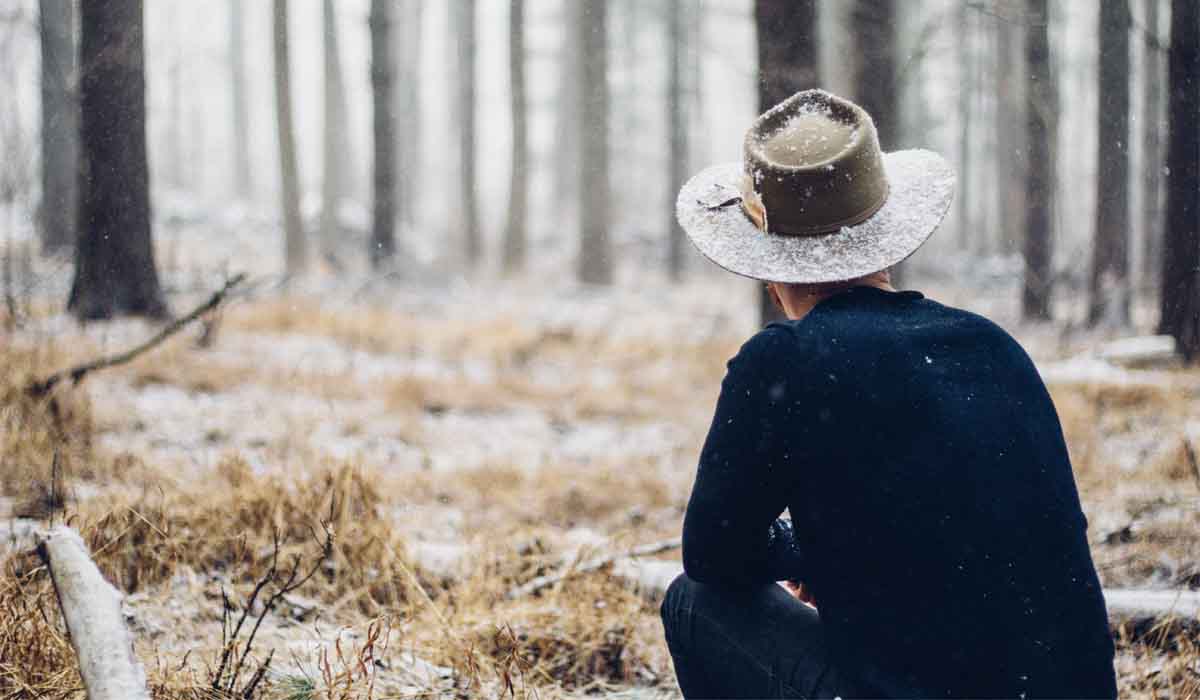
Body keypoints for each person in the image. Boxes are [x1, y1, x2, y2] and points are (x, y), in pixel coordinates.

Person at [661, 89, 1117, 699]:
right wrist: (832, 559)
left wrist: (801, 553)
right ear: (884, 236)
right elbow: (990, 527)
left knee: (693, 604)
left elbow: (713, 553)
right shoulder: (992, 346)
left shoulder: (785, 362)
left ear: (770, 271)